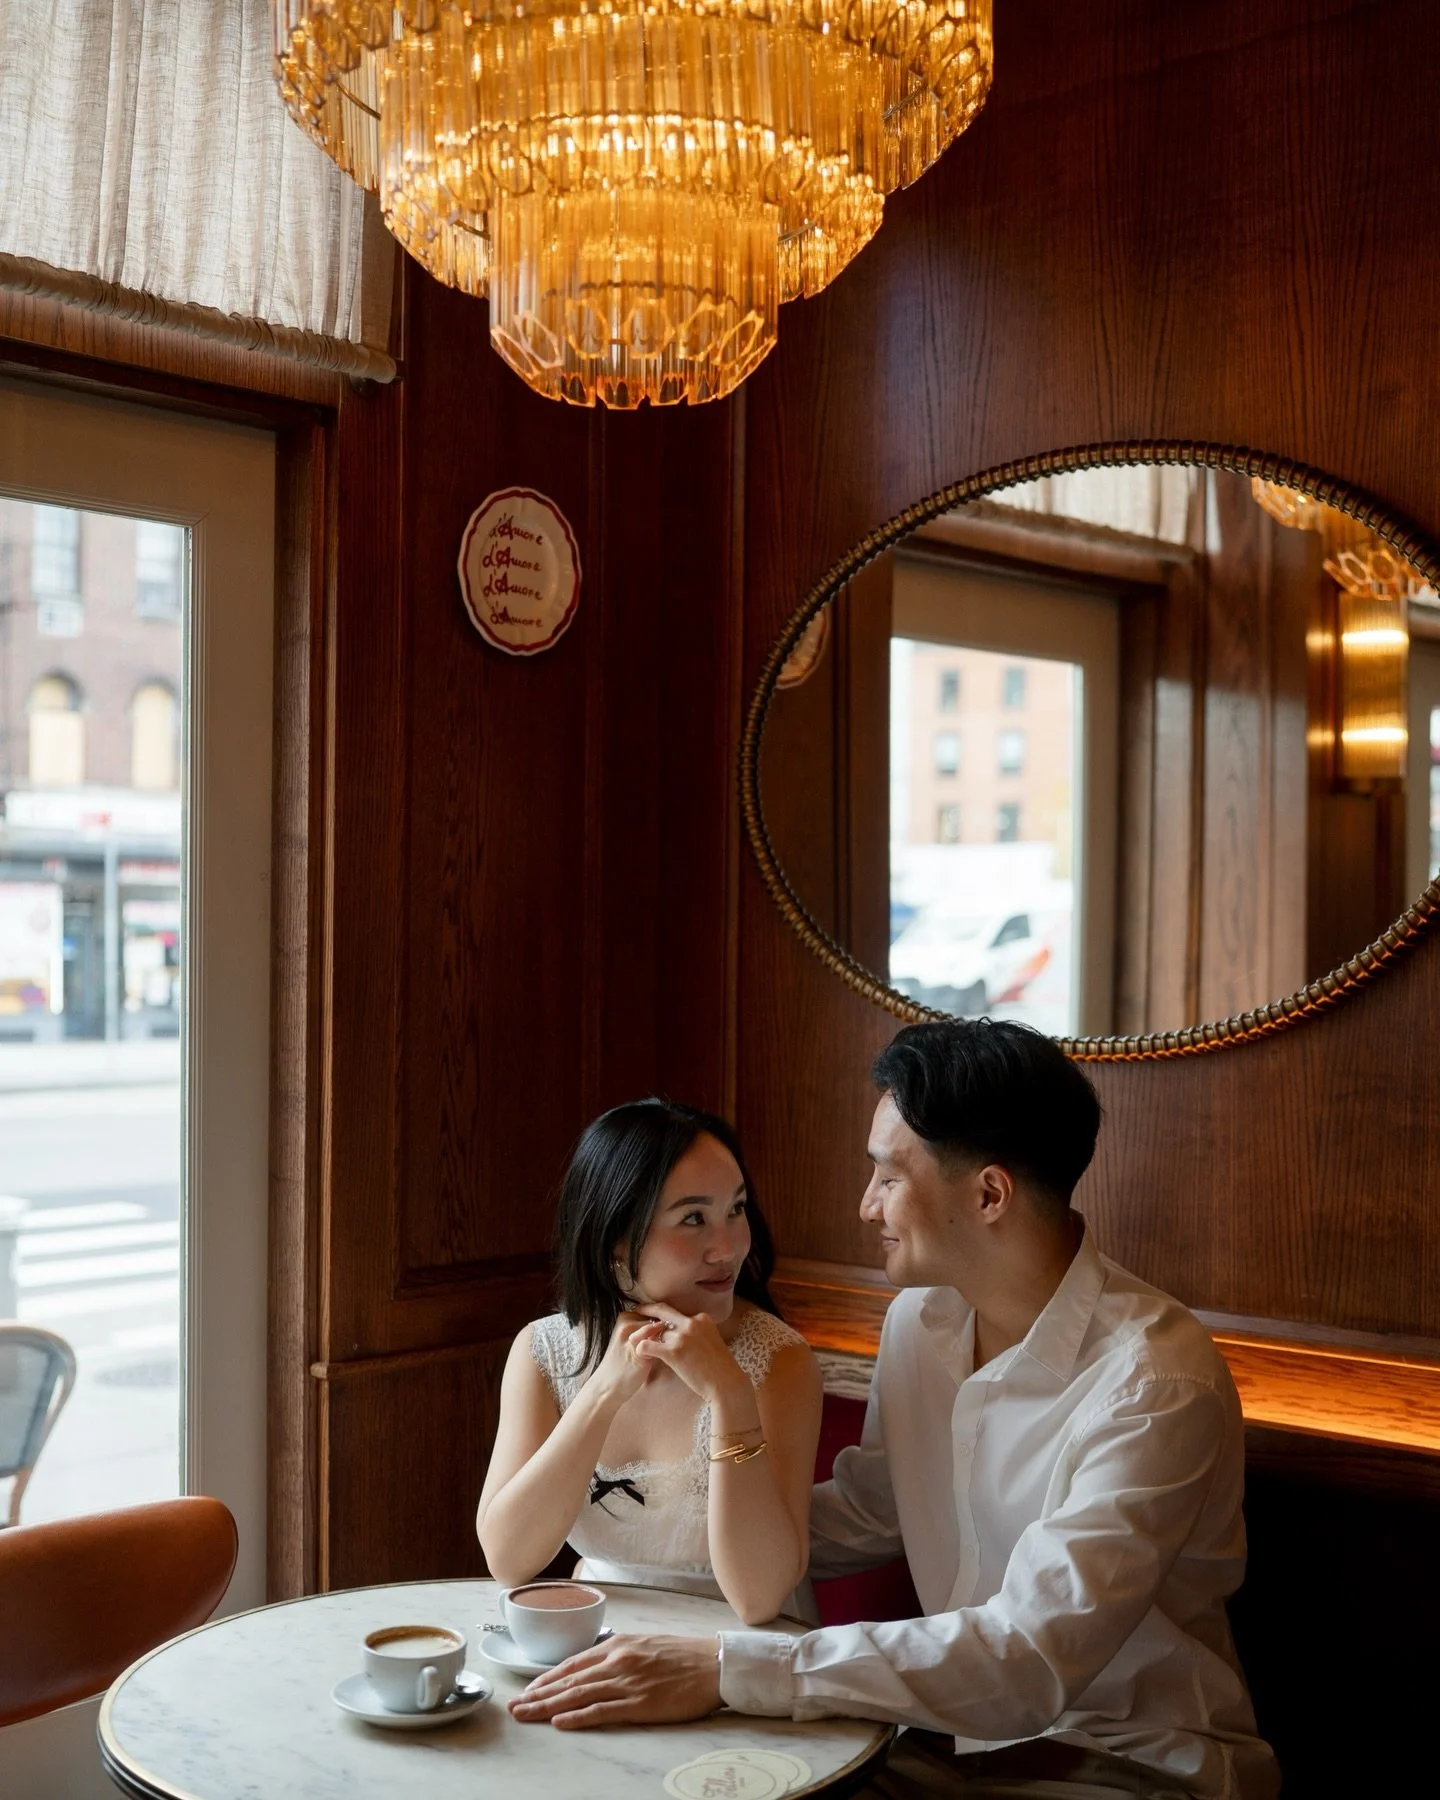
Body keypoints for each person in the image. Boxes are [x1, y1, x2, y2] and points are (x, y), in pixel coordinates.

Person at [509, 1021, 1279, 1800]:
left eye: (887, 1177)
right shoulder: (923, 1319)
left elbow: (1029, 1660)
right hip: (949, 1748)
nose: (865, 1206)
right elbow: (872, 1513)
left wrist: (724, 1668)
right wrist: (667, 1531)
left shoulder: (1153, 1384)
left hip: (1127, 1759)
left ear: (988, 1194)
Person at [477, 1097, 823, 1627]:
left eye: (736, 1209)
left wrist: (729, 1395)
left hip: (736, 1645)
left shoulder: (779, 1360)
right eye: (693, 1218)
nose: (728, 1247)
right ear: (615, 1241)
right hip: (598, 1634)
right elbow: (508, 1560)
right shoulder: (543, 1353)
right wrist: (603, 1392)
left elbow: (759, 1598)